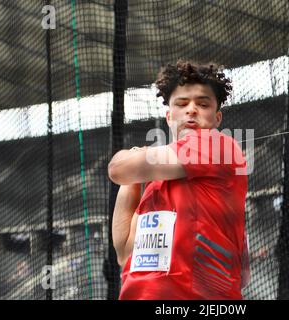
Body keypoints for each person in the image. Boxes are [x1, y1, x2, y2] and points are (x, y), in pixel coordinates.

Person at [108, 60, 249, 300]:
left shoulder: (218, 145)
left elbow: (117, 169)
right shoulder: (155, 185)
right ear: (169, 116)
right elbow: (124, 252)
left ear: (217, 118)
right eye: (182, 103)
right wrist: (134, 180)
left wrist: (131, 158)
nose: (191, 109)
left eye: (202, 104)